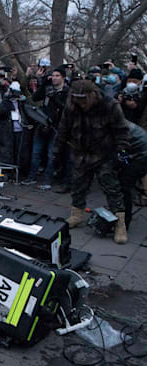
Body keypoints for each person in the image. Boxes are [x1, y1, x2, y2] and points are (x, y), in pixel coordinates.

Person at [54, 79, 130, 244]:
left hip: (104, 153)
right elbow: (63, 129)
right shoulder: (71, 106)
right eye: (77, 98)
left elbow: (122, 131)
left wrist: (121, 152)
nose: (81, 103)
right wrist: (57, 152)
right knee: (78, 185)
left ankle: (120, 224)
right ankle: (76, 214)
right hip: (81, 152)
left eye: (84, 99)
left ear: (92, 95)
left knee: (112, 188)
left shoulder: (110, 106)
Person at [25, 65, 70, 189]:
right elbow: (35, 98)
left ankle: (47, 180)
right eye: (53, 76)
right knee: (36, 152)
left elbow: (66, 108)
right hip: (42, 123)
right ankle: (32, 177)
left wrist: (54, 98)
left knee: (51, 154)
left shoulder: (67, 91)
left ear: (63, 78)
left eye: (57, 76)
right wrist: (44, 83)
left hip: (56, 127)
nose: (54, 78)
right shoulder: (48, 88)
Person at [0, 81, 32, 175]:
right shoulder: (5, 102)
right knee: (7, 152)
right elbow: (0, 112)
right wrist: (7, 101)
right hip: (8, 131)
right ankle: (8, 171)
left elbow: (29, 112)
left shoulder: (21, 103)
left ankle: (20, 171)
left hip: (20, 130)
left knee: (19, 152)